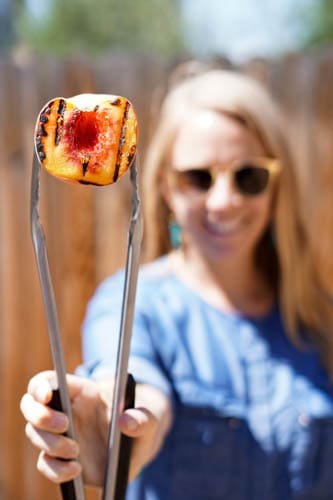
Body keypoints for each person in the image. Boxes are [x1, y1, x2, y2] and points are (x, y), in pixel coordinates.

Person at [20, 67, 333, 499]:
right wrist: (120, 429)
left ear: (277, 185)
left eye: (249, 177)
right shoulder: (134, 305)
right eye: (198, 178)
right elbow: (137, 385)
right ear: (166, 186)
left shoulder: (318, 318)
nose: (224, 201)